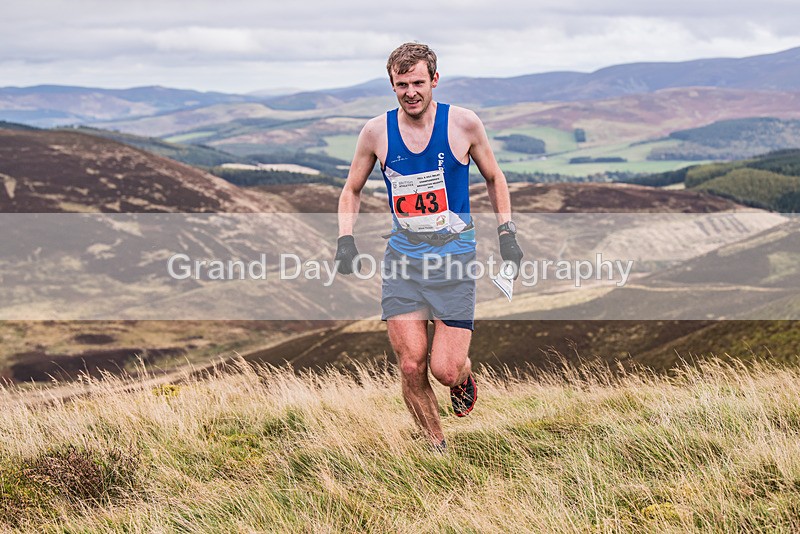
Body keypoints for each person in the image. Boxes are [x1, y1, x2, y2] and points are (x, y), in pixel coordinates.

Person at [335, 42, 523, 450]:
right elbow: (351, 188)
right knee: (410, 363)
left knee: (445, 370)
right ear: (393, 86)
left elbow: (495, 177)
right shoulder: (376, 132)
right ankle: (435, 447)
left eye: (418, 82)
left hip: (454, 263)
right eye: (401, 84)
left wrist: (506, 231)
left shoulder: (464, 124)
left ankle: (464, 374)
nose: (410, 92)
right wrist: (345, 239)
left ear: (434, 80)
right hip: (403, 262)